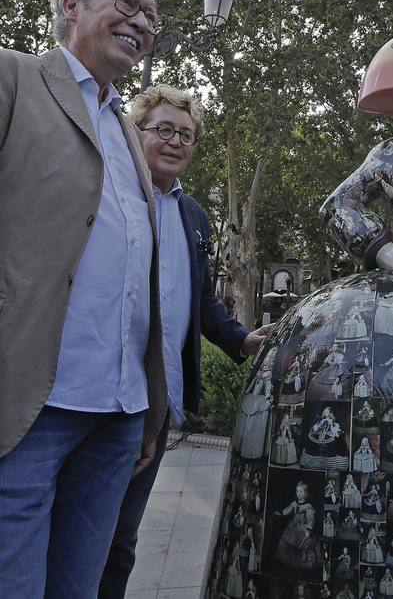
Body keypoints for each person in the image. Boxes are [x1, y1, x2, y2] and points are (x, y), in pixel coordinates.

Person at [0, 0, 168, 597]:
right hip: (28, 409)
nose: (142, 21)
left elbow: (136, 273)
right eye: (127, 3)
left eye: (151, 14)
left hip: (118, 416)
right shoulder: (14, 78)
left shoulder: (128, 131)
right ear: (72, 5)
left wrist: (149, 411)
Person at [99, 84, 271, 598]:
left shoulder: (194, 216)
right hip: (105, 397)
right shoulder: (109, 193)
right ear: (136, 131)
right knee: (81, 533)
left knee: (121, 543)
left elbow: (201, 303)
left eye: (187, 134)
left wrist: (243, 341)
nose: (175, 141)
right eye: (164, 130)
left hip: (160, 405)